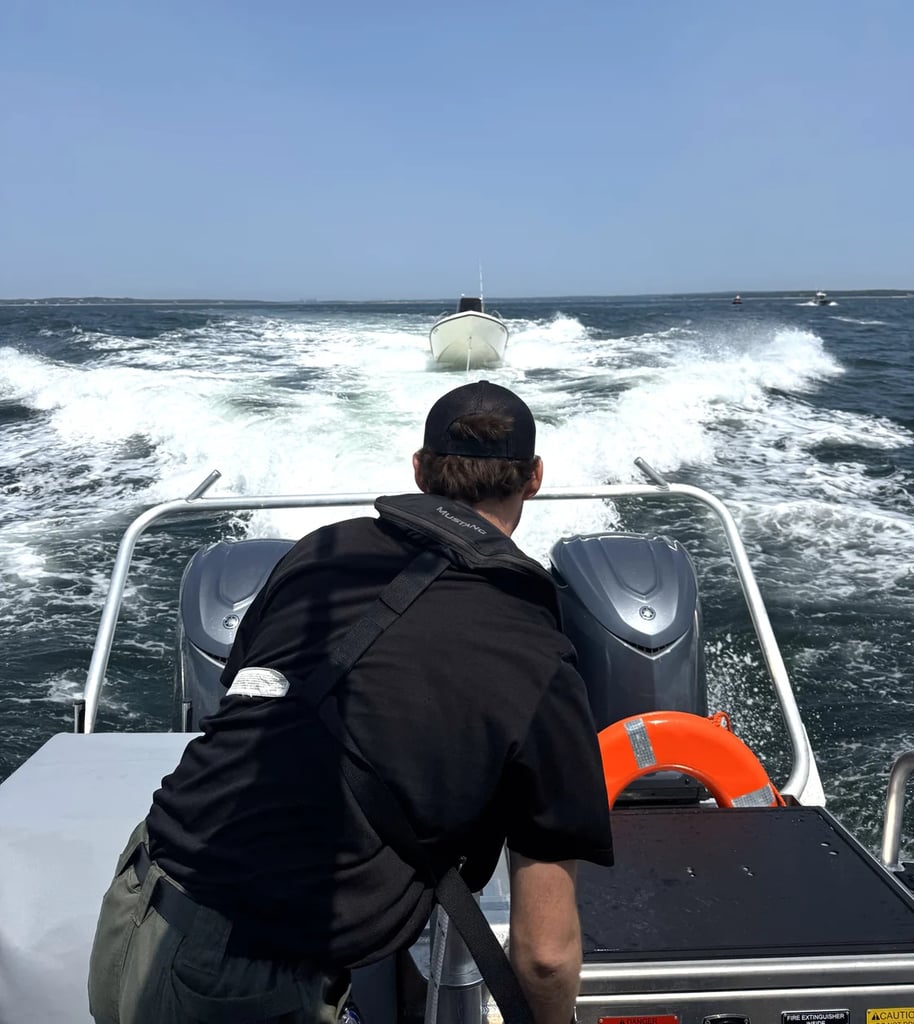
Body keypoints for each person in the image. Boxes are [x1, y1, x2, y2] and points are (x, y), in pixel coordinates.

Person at [88, 380, 614, 1024]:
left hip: (135, 904)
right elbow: (547, 957)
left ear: (419, 469)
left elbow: (258, 703)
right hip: (246, 984)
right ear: (534, 477)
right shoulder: (538, 655)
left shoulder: (318, 552)